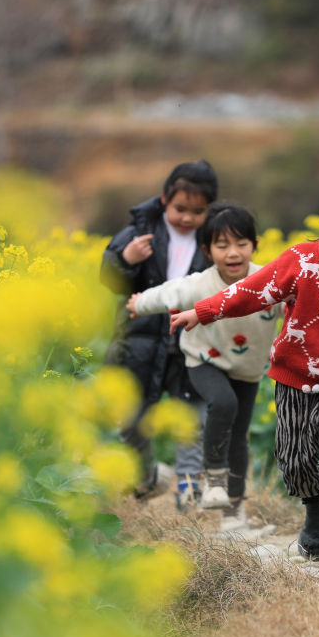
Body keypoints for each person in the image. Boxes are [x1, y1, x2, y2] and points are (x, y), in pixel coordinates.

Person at [170, 172, 319, 569]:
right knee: (296, 460)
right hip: (293, 381)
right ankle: (316, 511)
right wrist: (201, 312)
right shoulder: (301, 260)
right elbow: (250, 291)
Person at [126, 203, 282, 531]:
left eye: (241, 243)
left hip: (248, 367)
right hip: (204, 360)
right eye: (222, 245)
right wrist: (139, 304)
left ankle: (233, 515)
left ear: (255, 245)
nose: (233, 253)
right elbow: (167, 293)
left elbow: (301, 302)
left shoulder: (270, 282)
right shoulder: (199, 284)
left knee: (239, 437)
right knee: (223, 403)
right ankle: (212, 479)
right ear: (207, 251)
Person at [100, 159, 218, 505]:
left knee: (191, 425)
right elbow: (108, 278)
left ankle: (187, 496)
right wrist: (126, 259)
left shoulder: (213, 239)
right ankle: (145, 478)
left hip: (190, 344)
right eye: (180, 208)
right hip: (141, 344)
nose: (187, 218)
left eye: (197, 212)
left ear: (208, 210)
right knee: (131, 420)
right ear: (165, 199)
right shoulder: (140, 231)